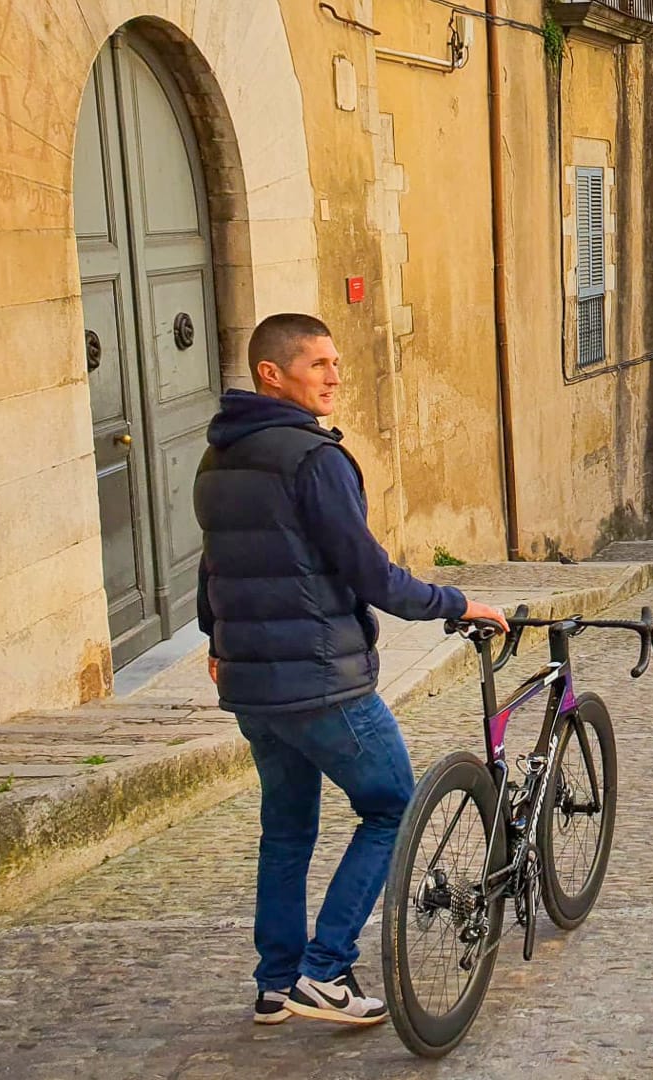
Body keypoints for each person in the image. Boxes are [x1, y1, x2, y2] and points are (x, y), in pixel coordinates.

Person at [194, 313, 509, 1027]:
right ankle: (325, 969)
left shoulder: (220, 459)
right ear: (271, 373)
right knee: (393, 804)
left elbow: (213, 565)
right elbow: (369, 573)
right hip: (320, 679)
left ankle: (275, 982)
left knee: (286, 827)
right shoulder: (313, 459)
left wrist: (219, 642)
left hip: (251, 683)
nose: (335, 376)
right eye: (318, 364)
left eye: (337, 362)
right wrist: (456, 600)